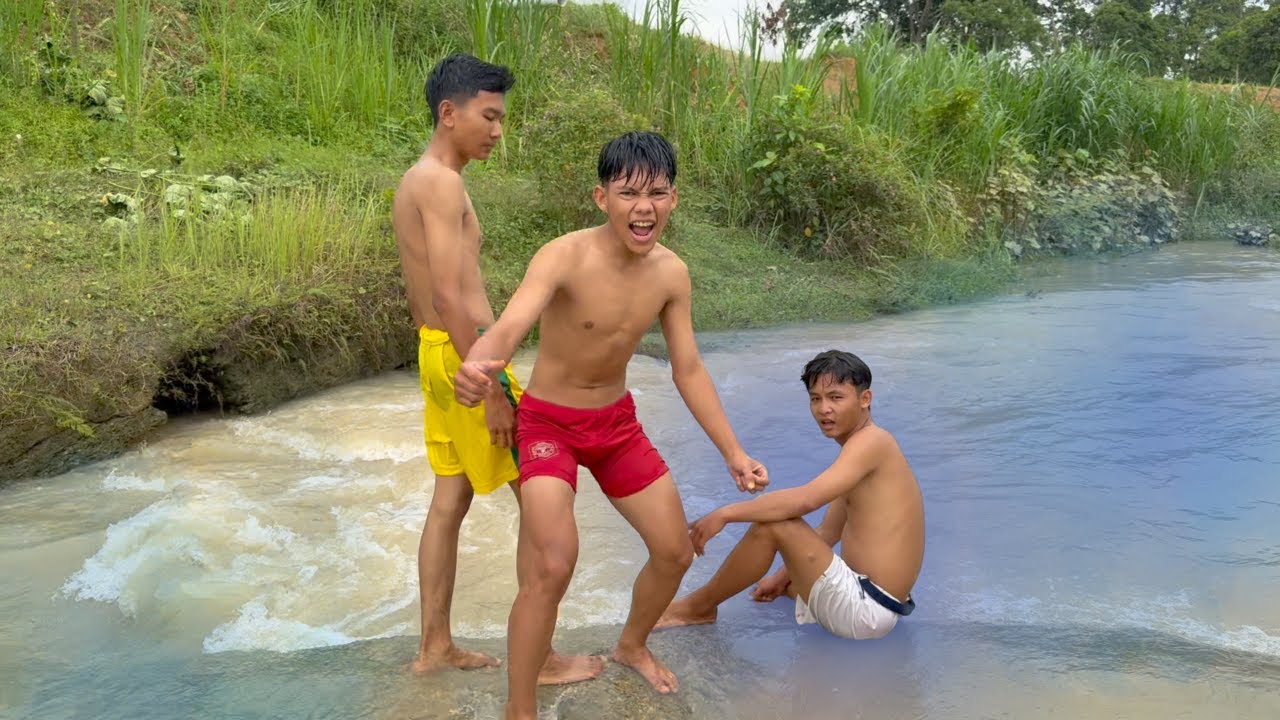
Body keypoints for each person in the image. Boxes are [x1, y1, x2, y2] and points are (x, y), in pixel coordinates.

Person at [452, 131, 769, 720]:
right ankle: (519, 709)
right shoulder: (564, 255)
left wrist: (732, 450)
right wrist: (481, 366)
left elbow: (689, 368)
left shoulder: (673, 275)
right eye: (628, 193)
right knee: (552, 561)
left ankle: (631, 645)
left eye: (658, 193)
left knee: (675, 551)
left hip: (616, 426)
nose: (643, 207)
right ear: (602, 198)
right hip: (549, 425)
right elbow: (510, 325)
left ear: (674, 199)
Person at [391, 52, 601, 684]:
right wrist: (489, 388)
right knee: (539, 496)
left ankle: (435, 646)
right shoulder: (441, 182)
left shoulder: (421, 179)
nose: (498, 130)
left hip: (437, 352)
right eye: (489, 115)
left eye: (501, 117)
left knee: (449, 500)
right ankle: (537, 659)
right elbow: (452, 295)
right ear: (448, 113)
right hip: (464, 357)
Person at [656, 350, 924, 641]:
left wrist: (725, 514)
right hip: (879, 606)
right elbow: (828, 531)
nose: (824, 409)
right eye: (815, 399)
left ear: (865, 399)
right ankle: (757, 592)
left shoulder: (873, 442)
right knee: (785, 572)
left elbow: (806, 500)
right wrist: (782, 577)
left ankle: (699, 607)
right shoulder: (860, 449)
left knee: (777, 525)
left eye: (836, 397)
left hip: (867, 609)